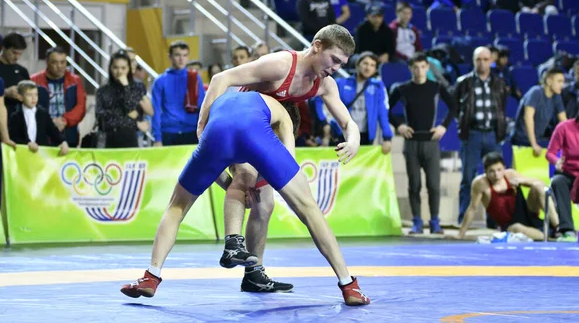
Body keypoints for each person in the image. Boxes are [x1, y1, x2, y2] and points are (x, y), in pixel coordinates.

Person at [120, 92, 370, 306]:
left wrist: (233, 182)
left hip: (214, 131)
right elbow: (288, 157)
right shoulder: (281, 114)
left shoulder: (238, 96)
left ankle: (151, 276)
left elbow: (214, 161)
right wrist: (284, 179)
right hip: (250, 132)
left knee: (177, 206)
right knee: (308, 208)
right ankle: (348, 284)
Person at [200, 25, 360, 293]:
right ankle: (233, 243)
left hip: (276, 131)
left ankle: (253, 274)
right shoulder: (280, 65)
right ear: (317, 46)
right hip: (243, 126)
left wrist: (353, 140)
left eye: (342, 64)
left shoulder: (324, 84)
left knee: (264, 205)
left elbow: (347, 121)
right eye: (334, 60)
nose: (335, 68)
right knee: (246, 177)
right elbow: (220, 79)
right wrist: (202, 128)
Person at [389, 53, 455, 234]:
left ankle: (435, 221)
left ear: (427, 67)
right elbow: (386, 109)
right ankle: (416, 221)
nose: (419, 71)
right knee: (414, 184)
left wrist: (443, 126)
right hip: (411, 142)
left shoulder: (436, 87)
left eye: (422, 67)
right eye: (415, 67)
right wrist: (399, 125)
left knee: (434, 184)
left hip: (431, 141)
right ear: (410, 68)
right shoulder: (402, 88)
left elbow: (454, 106)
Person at [454, 47, 509, 224]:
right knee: (468, 177)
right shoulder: (464, 82)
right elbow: (456, 108)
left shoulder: (499, 83)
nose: (482, 63)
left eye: (486, 59)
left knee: (497, 178)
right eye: (479, 59)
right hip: (472, 135)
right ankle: (463, 218)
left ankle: (495, 219)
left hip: (493, 134)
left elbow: (502, 107)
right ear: (473, 61)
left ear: (491, 61)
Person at [457, 152, 559, 241]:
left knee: (538, 187)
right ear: (485, 171)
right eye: (491, 171)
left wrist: (521, 181)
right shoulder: (480, 184)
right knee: (517, 228)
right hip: (510, 226)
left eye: (499, 170)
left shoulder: (510, 175)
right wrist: (461, 234)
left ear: (504, 168)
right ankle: (550, 238)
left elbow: (542, 184)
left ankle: (559, 227)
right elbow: (472, 208)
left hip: (528, 214)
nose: (496, 175)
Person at [547, 94, 579, 242]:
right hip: (567, 173)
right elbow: (550, 153)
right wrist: (556, 161)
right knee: (557, 181)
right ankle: (567, 231)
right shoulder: (563, 127)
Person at [332, 51, 393, 150]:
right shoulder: (341, 83)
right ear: (357, 64)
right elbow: (318, 101)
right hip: (342, 133)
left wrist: (387, 137)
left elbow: (383, 113)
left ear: (375, 70)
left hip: (365, 136)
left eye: (372, 65)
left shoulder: (378, 86)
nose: (368, 68)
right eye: (365, 63)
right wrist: (324, 123)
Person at [96, 51, 154, 148]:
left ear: (129, 69)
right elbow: (103, 119)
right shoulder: (103, 91)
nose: (119, 72)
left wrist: (126, 87)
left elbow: (136, 114)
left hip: (131, 139)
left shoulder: (137, 87)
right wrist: (135, 124)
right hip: (108, 140)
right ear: (110, 68)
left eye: (123, 68)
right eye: (115, 68)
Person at [151, 41, 204, 146]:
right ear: (170, 57)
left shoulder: (194, 78)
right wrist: (157, 138)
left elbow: (202, 107)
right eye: (177, 55)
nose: (181, 59)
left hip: (191, 131)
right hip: (168, 132)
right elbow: (155, 110)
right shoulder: (160, 81)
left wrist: (203, 134)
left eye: (185, 55)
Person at [31, 47, 86, 148]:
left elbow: (81, 107)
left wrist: (65, 120)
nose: (59, 66)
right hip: (41, 136)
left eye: (63, 62)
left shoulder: (75, 80)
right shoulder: (34, 80)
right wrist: (49, 123)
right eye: (55, 63)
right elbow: (30, 107)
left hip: (69, 135)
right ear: (47, 62)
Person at [511, 68, 567, 155]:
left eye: (563, 82)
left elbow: (564, 121)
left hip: (537, 139)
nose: (562, 85)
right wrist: (533, 144)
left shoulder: (556, 96)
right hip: (522, 140)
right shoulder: (535, 92)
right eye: (559, 81)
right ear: (549, 81)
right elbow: (528, 117)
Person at [9, 80, 69, 156]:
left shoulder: (43, 113)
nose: (33, 98)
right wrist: (28, 143)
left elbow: (53, 131)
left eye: (36, 94)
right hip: (22, 155)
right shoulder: (15, 115)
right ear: (20, 97)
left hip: (41, 157)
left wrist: (63, 142)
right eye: (29, 95)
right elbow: (13, 137)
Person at [0, 33, 30, 117]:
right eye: (14, 52)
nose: (17, 57)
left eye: (20, 54)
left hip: (18, 121)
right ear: (4, 48)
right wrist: (5, 92)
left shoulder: (22, 71)